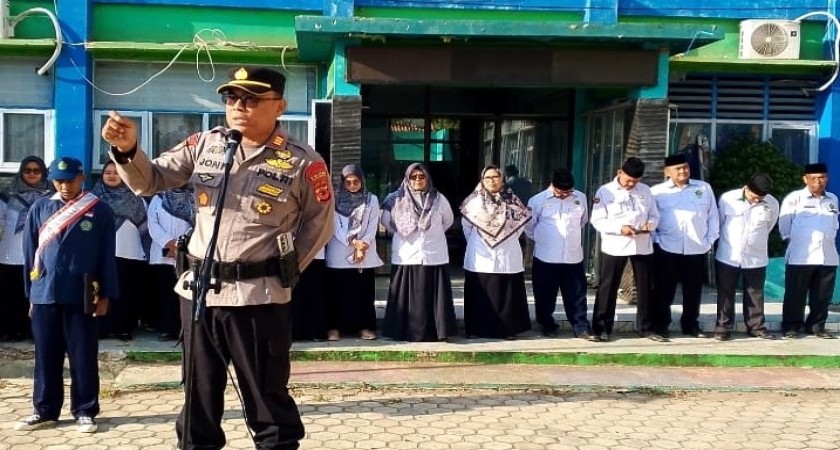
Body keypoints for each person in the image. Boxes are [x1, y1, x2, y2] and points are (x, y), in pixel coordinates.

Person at [101, 65, 334, 449]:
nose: (239, 106)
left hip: (258, 298)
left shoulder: (302, 161)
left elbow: (319, 225)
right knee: (198, 398)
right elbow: (150, 180)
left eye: (252, 99)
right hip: (198, 295)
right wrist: (127, 150)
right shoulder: (206, 145)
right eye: (232, 98)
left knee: (266, 399)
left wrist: (283, 272)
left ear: (279, 106)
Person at [14, 156, 119, 434]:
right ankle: (44, 410)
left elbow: (107, 256)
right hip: (45, 292)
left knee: (83, 355)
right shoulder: (40, 207)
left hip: (82, 293)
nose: (64, 186)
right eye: (58, 180)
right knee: (46, 356)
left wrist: (106, 295)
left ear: (81, 178)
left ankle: (85, 410)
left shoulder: (99, 210)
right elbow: (30, 254)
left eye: (70, 180)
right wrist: (31, 294)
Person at [380, 163, 458, 342]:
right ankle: (402, 332)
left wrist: (430, 234)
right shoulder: (395, 199)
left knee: (433, 295)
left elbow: (448, 221)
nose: (417, 180)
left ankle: (436, 333)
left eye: (421, 176)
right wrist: (403, 232)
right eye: (413, 177)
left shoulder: (438, 198)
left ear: (427, 178)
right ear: (407, 179)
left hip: (433, 253)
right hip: (406, 253)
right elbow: (386, 222)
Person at [590, 157, 659, 342]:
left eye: (635, 181)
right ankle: (601, 328)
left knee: (646, 287)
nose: (631, 184)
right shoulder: (605, 191)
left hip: (641, 243)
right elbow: (597, 220)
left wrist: (650, 225)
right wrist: (620, 228)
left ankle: (647, 327)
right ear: (620, 172)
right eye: (628, 180)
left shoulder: (645, 190)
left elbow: (654, 215)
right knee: (608, 287)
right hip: (615, 244)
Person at [651, 154, 719, 339]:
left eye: (685, 167)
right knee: (664, 290)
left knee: (693, 290)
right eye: (678, 168)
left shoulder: (703, 188)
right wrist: (657, 240)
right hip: (667, 248)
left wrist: (709, 240)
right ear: (667, 172)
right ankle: (661, 324)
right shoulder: (657, 191)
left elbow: (713, 216)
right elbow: (651, 217)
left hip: (696, 247)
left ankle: (690, 324)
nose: (683, 171)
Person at [460, 165, 532, 339]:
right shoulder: (473, 202)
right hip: (480, 254)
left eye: (495, 177)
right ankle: (476, 329)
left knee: (506, 294)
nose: (492, 181)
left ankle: (507, 330)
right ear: (482, 180)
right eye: (488, 178)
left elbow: (519, 227)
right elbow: (467, 227)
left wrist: (504, 238)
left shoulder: (513, 201)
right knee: (479, 294)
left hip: (507, 252)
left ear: (502, 180)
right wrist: (482, 241)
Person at [526, 168, 597, 340]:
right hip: (546, 257)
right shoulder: (537, 200)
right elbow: (528, 227)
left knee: (577, 295)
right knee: (545, 295)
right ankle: (547, 324)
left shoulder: (580, 198)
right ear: (553, 185)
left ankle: (581, 327)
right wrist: (545, 240)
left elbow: (583, 221)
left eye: (568, 192)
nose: (565, 195)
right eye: (561, 192)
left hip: (573, 256)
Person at [714, 174, 779, 341]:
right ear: (746, 188)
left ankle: (756, 327)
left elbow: (769, 226)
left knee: (755, 293)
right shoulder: (728, 199)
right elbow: (719, 223)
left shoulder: (772, 203)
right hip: (729, 255)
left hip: (756, 256)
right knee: (725, 292)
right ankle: (723, 327)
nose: (757, 201)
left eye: (760, 199)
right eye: (754, 197)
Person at [91, 160, 150, 340]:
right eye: (107, 172)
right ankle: (101, 328)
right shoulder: (92, 199)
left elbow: (145, 225)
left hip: (128, 251)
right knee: (101, 289)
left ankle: (123, 328)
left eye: (116, 172)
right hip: (100, 252)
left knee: (126, 290)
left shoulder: (135, 197)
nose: (111, 176)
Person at [779, 163, 838, 339]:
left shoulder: (832, 199)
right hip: (801, 256)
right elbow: (784, 226)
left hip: (827, 256)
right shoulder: (795, 198)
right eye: (813, 178)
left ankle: (817, 326)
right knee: (795, 295)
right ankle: (791, 326)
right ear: (805, 179)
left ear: (826, 178)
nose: (818, 182)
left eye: (822, 178)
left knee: (822, 296)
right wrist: (794, 242)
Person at [325, 164, 383, 341]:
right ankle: (334, 328)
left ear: (362, 181)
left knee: (362, 293)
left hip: (364, 253)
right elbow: (334, 226)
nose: (352, 185)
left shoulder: (371, 199)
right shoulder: (333, 199)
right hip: (339, 252)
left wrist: (363, 244)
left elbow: (373, 224)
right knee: (337, 293)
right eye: (348, 182)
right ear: (342, 182)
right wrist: (353, 242)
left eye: (356, 182)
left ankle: (365, 327)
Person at [0, 156, 53, 341]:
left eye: (36, 171)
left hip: (40, 255)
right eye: (27, 170)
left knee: (35, 295)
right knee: (10, 294)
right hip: (10, 253)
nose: (31, 174)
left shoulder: (51, 198)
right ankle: (10, 330)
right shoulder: (7, 196)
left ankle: (33, 331)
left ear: (43, 173)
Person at [147, 184, 194, 341]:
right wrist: (168, 242)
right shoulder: (158, 198)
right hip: (162, 253)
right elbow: (152, 223)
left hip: (187, 251)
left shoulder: (194, 198)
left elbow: (198, 224)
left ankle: (182, 329)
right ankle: (165, 328)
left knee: (182, 292)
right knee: (164, 292)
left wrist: (181, 244)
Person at [291, 247, 329, 341]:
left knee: (316, 294)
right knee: (297, 294)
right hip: (293, 254)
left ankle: (316, 332)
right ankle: (297, 332)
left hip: (316, 252)